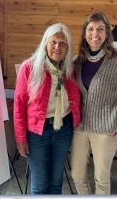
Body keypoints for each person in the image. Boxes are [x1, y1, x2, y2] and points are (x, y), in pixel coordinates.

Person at [70, 12, 117, 195]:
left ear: (107, 33)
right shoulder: (78, 61)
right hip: (80, 129)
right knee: (77, 175)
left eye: (100, 29)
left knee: (101, 178)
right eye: (90, 29)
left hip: (106, 131)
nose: (95, 34)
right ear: (85, 33)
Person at [13, 23, 80, 194]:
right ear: (45, 43)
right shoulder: (29, 67)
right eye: (53, 42)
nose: (58, 47)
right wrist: (21, 138)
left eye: (63, 43)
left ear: (68, 47)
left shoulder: (70, 69)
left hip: (63, 130)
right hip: (37, 133)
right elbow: (19, 106)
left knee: (57, 181)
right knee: (41, 184)